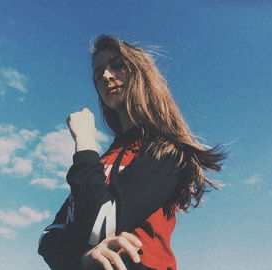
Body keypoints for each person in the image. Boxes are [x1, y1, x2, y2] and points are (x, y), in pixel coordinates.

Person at [38, 35, 226, 270]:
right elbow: (49, 236)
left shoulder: (167, 151)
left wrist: (85, 140)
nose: (106, 76)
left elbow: (100, 224)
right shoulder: (103, 160)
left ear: (140, 74)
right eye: (98, 74)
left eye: (117, 65)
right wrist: (82, 259)